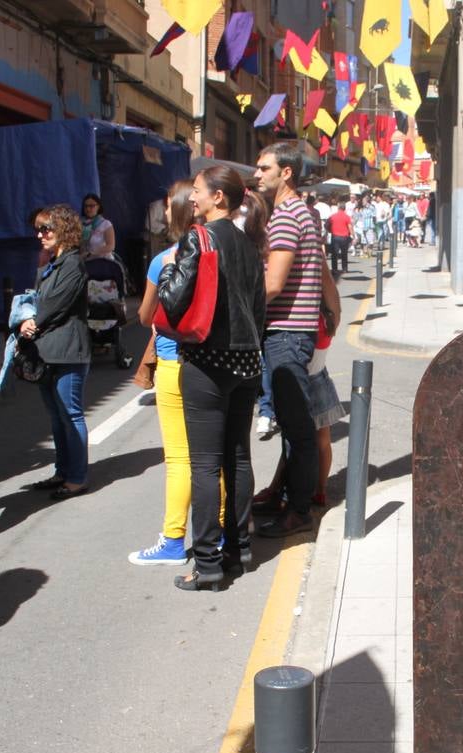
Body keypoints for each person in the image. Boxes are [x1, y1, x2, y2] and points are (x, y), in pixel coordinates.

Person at [154, 165, 266, 590]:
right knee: (237, 457)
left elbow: (172, 299)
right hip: (246, 361)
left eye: (198, 191)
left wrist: (168, 268)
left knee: (204, 464)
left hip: (206, 361)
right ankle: (237, 552)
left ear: (219, 198)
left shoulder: (197, 239)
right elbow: (259, 311)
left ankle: (207, 562)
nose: (193, 198)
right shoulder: (249, 243)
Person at [253, 142, 341, 538]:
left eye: (264, 168)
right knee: (294, 425)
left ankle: (299, 510)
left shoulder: (287, 217)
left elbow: (273, 284)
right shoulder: (299, 213)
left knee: (298, 427)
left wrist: (235, 307)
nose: (257, 175)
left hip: (287, 332)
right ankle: (284, 495)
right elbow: (318, 270)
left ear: (285, 173)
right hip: (295, 331)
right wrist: (331, 308)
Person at [131, 181, 196, 565]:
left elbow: (144, 315)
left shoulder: (165, 259)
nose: (165, 213)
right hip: (212, 363)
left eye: (169, 206)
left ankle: (173, 540)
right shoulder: (217, 251)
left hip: (173, 362)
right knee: (213, 454)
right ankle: (220, 532)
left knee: (179, 458)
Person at [20, 204, 91, 500]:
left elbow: (54, 304)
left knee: (71, 414)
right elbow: (40, 299)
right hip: (49, 351)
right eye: (38, 228)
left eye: (46, 228)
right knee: (56, 416)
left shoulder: (72, 264)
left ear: (63, 230)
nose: (40, 234)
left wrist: (33, 321)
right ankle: (63, 470)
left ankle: (76, 478)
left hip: (68, 351)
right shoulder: (54, 263)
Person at [80, 194, 115, 261]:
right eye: (86, 206)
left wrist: (91, 253)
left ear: (98, 206)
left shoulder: (105, 224)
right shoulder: (80, 224)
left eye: (91, 206)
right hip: (86, 263)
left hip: (103, 263)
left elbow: (110, 246)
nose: (88, 209)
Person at [326, 202, 352, 275]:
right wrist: (353, 236)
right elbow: (350, 227)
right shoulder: (347, 216)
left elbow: (326, 225)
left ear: (338, 208)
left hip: (335, 237)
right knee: (344, 254)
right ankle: (345, 268)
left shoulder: (333, 216)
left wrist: (330, 230)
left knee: (334, 254)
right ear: (344, 208)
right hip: (344, 237)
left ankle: (334, 269)